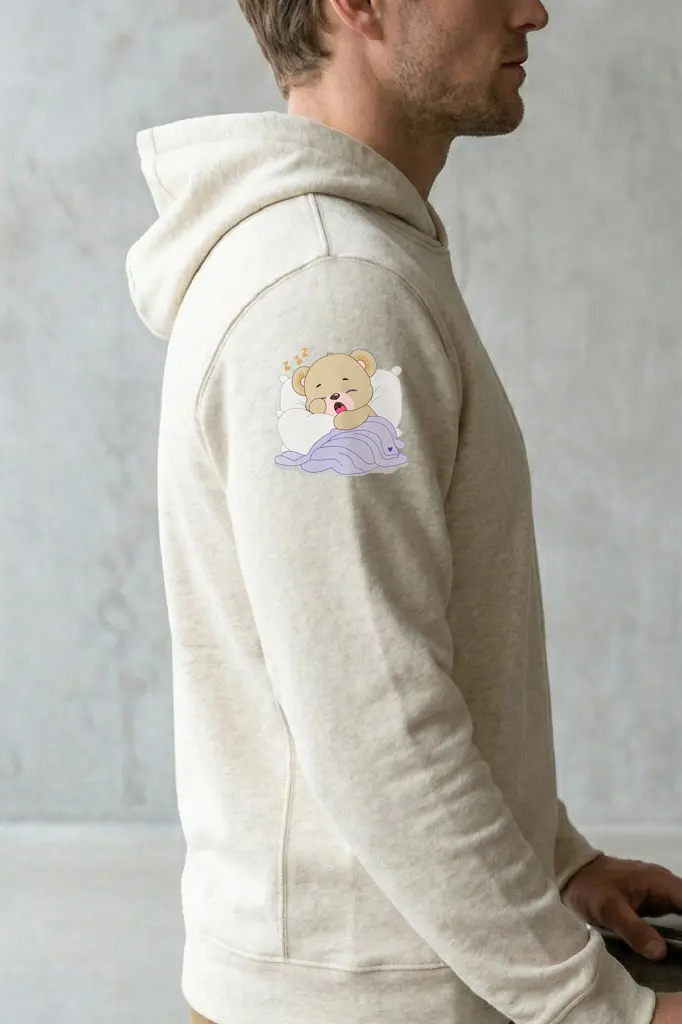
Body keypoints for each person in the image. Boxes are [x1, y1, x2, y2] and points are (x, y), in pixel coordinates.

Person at [125, 1, 682, 1022]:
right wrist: (601, 1008)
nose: (533, 10)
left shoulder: (354, 259)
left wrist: (554, 860)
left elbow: (393, 658)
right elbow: (376, 724)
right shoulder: (330, 293)